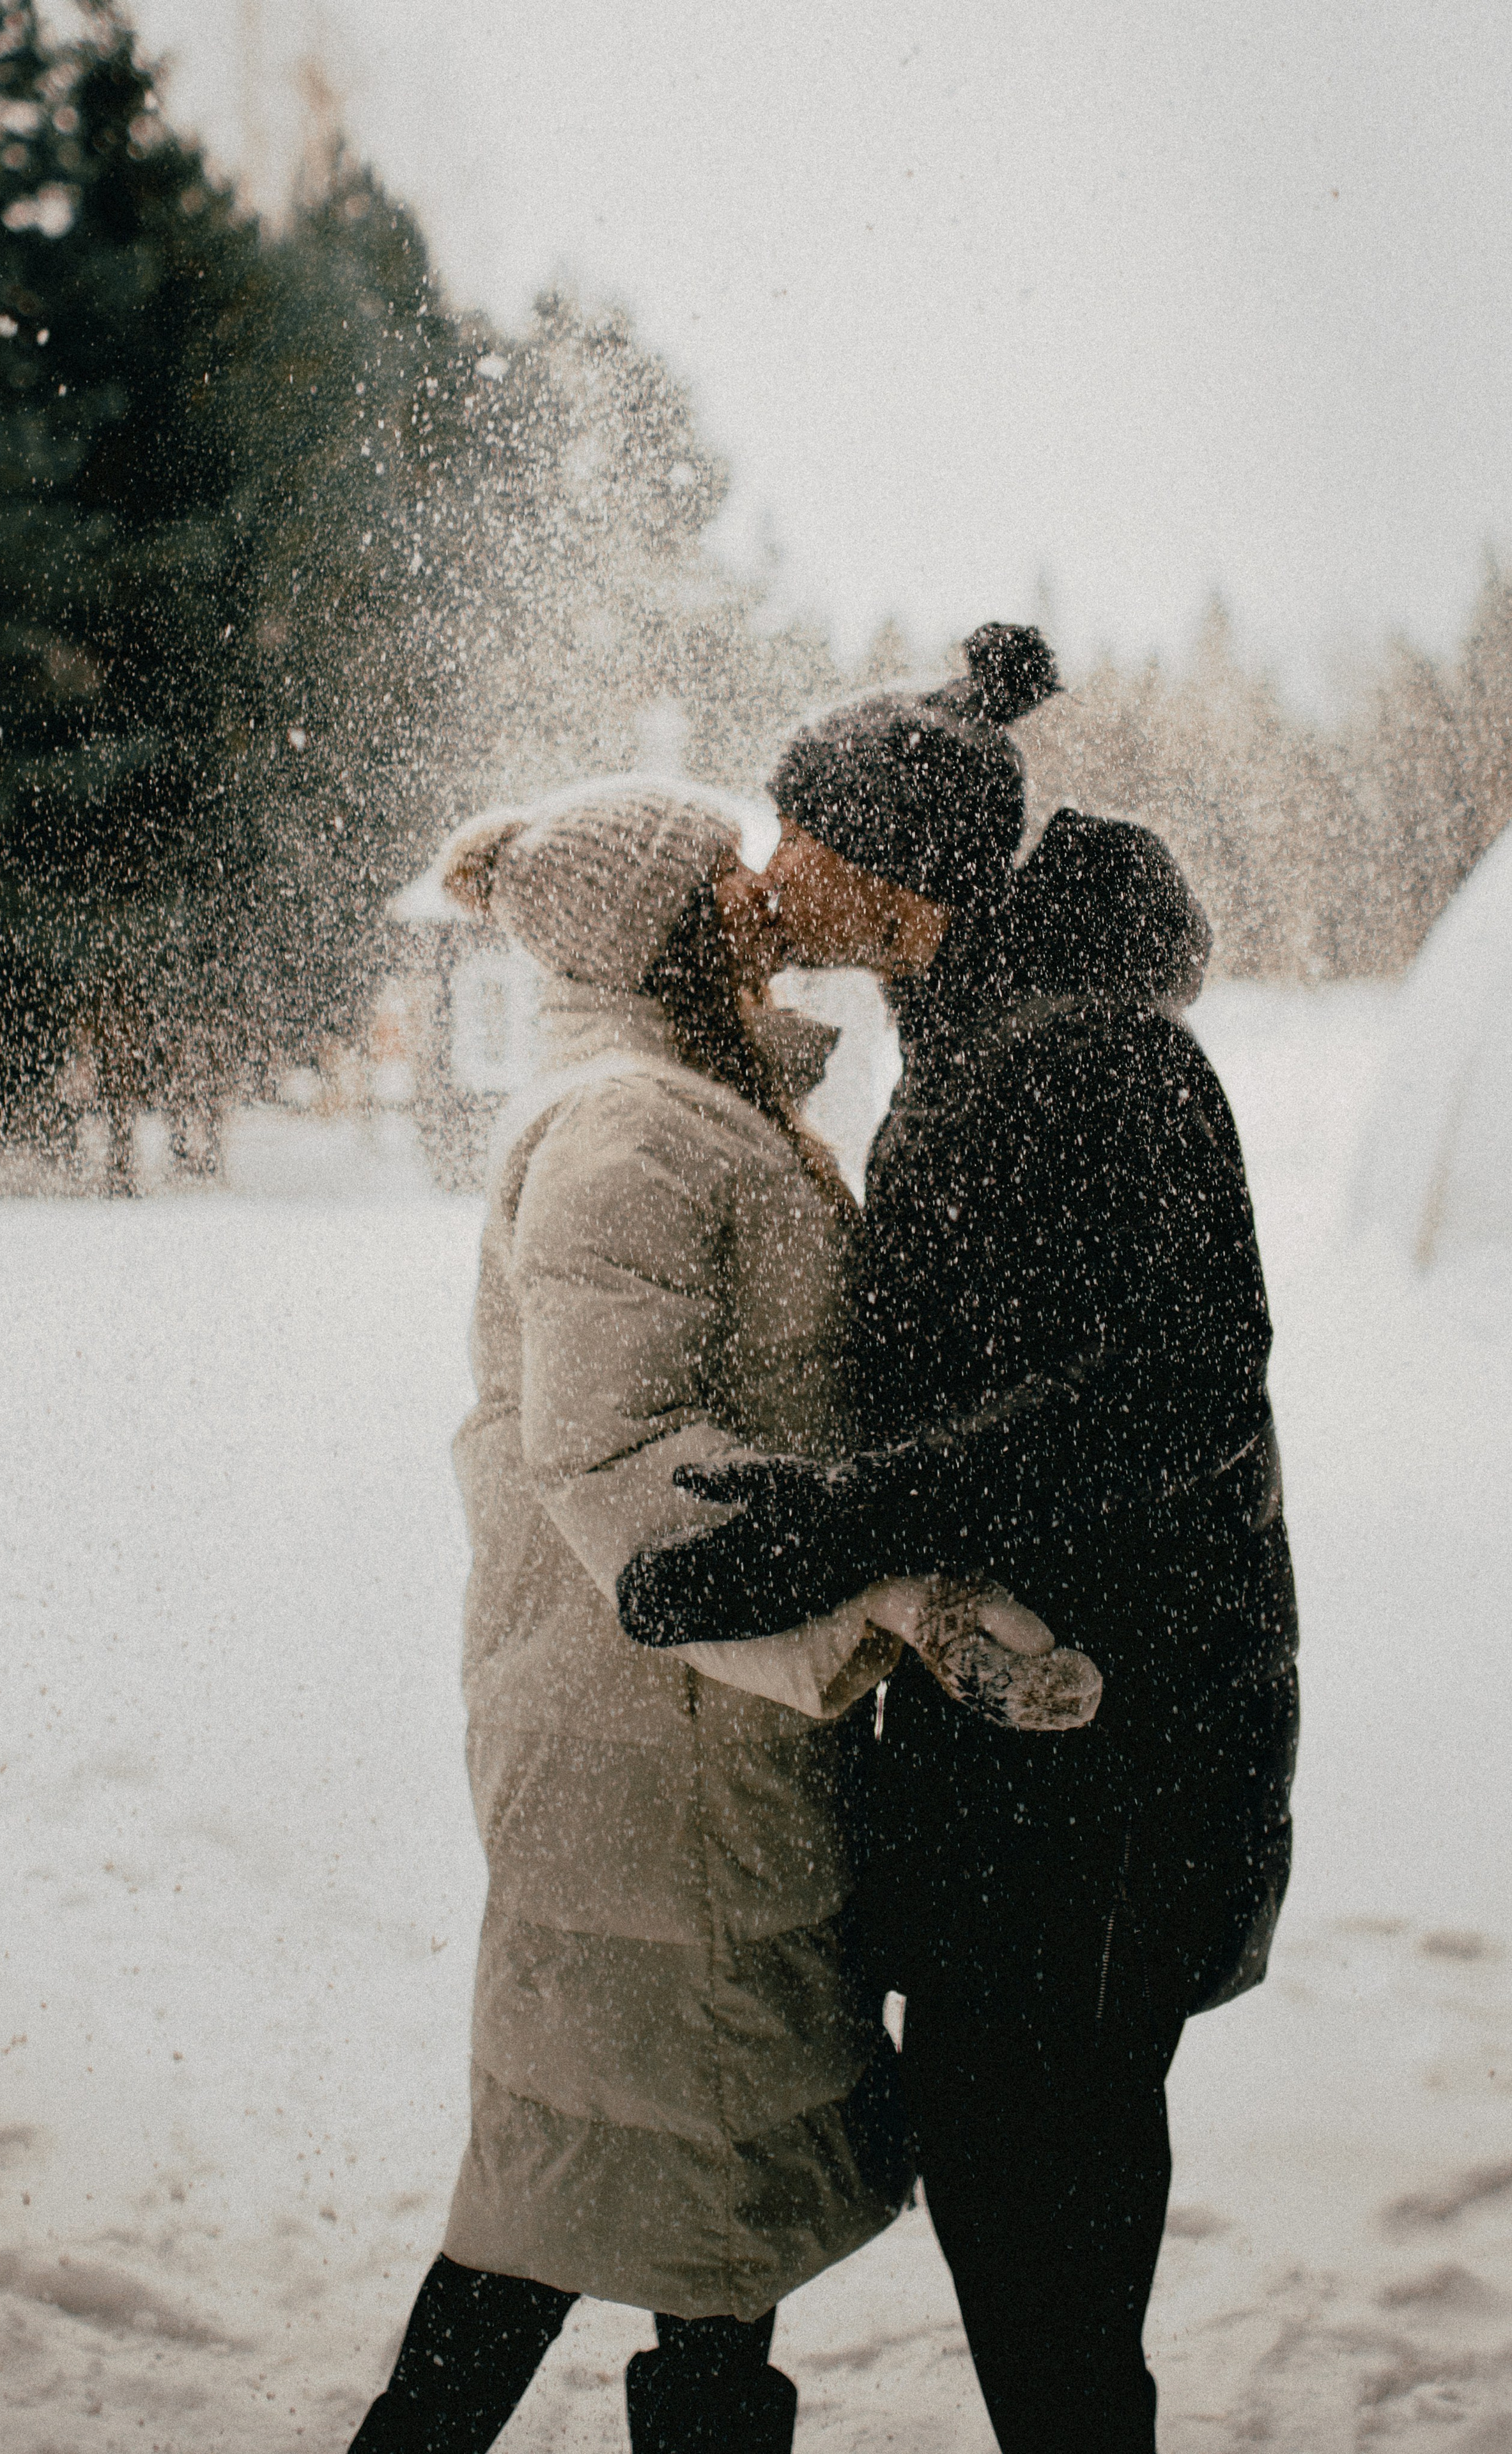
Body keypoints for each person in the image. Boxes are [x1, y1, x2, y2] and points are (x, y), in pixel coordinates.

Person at [617, 626, 1300, 2454]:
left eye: (790, 833)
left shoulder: (1094, 1067)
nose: (760, 867)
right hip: (1038, 1767)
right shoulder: (977, 1042)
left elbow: (1162, 1396)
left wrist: (848, 1524)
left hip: (1127, 1761)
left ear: (886, 869)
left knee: (1046, 2233)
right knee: (1020, 2198)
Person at [348, 781, 919, 2454]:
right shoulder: (633, 1129)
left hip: (690, 1728)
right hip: (654, 1743)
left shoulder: (681, 1102)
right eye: (729, 885)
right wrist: (885, 1599)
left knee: (660, 2177)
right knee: (604, 2176)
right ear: (656, 931)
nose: (763, 906)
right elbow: (622, 1456)